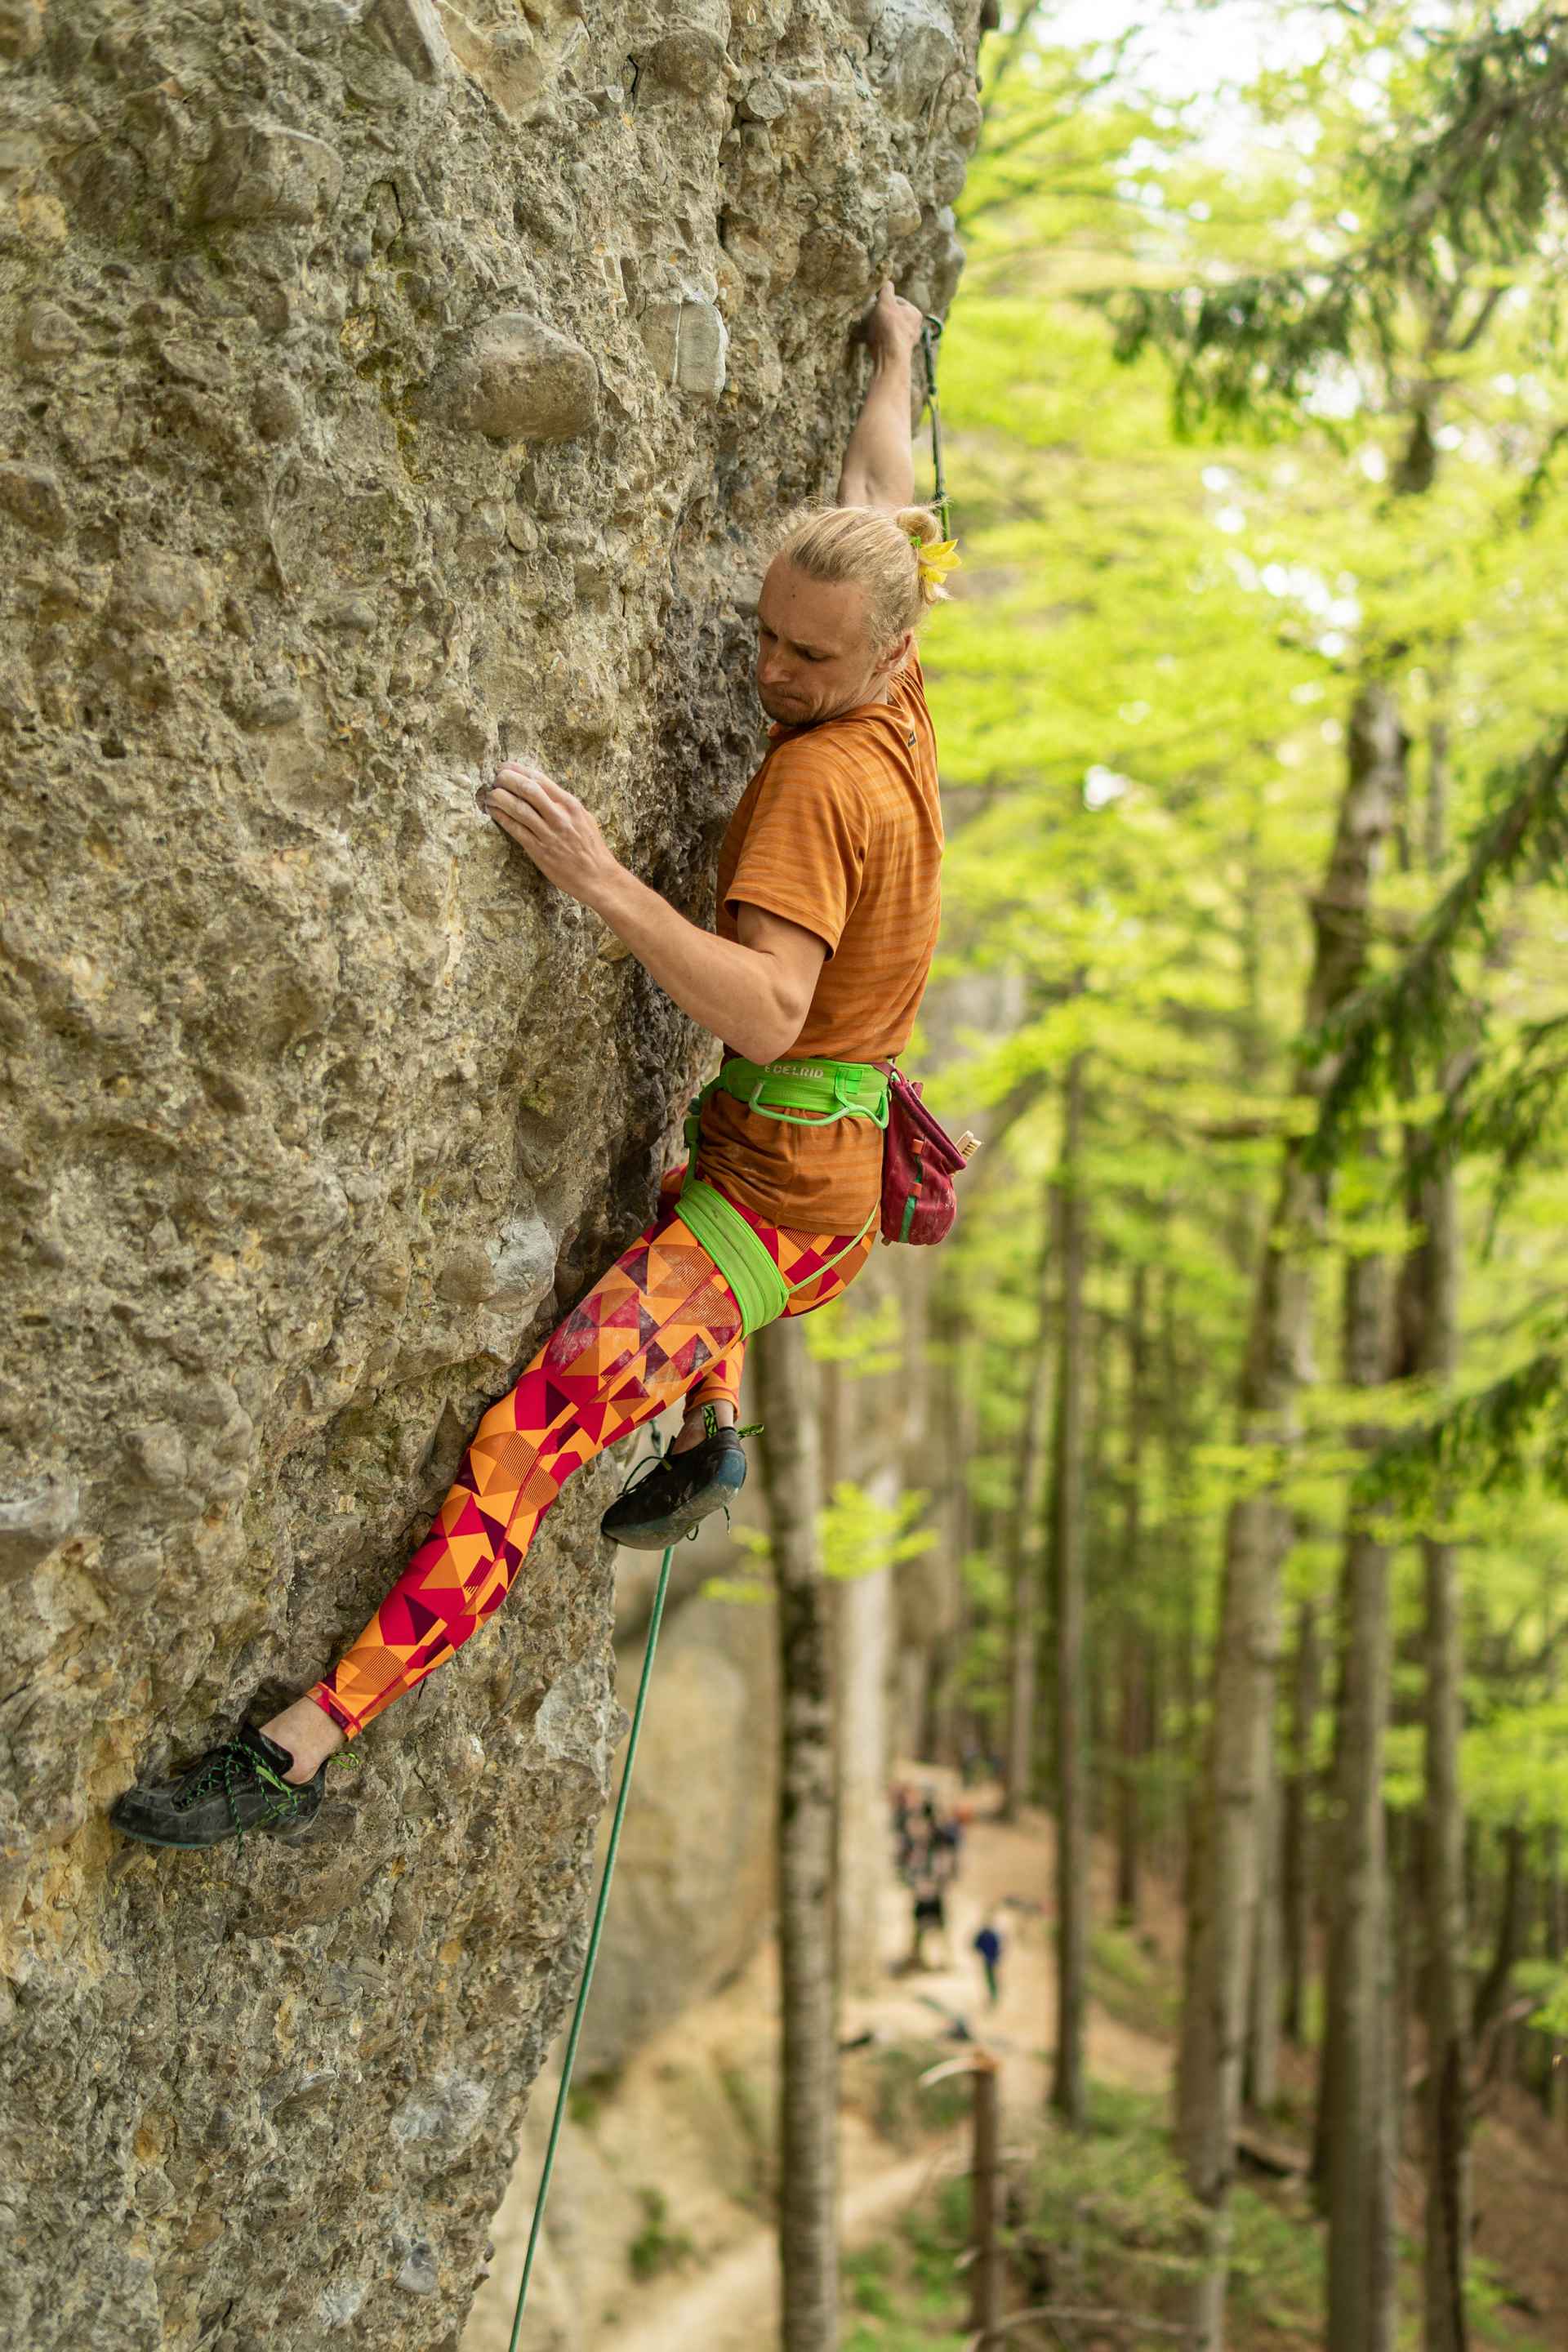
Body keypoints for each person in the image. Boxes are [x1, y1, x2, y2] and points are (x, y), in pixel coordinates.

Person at [111, 281, 958, 1851]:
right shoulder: (890, 658)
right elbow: (879, 499)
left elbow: (770, 1011)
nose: (772, 667)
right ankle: (711, 1431)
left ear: (876, 654)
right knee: (678, 1220)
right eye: (765, 631)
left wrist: (601, 883)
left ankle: (296, 1752)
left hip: (779, 1198)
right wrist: (895, 356)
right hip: (803, 1171)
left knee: (532, 1434)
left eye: (806, 657)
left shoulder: (816, 791)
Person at [973, 1917, 1004, 2007]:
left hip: (992, 1960)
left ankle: (994, 1996)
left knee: (992, 1978)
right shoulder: (986, 1935)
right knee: (990, 1978)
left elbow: (999, 1947)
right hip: (988, 1960)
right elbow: (976, 1945)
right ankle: (993, 1995)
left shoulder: (992, 1936)